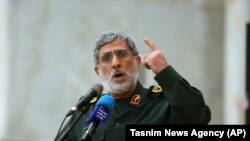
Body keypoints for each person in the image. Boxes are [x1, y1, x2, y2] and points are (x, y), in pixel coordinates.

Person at [55, 31, 211, 141]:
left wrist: (165, 72)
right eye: (107, 58)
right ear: (98, 71)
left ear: (137, 63)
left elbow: (198, 117)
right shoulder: (86, 112)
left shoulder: (163, 104)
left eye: (122, 54)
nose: (116, 63)